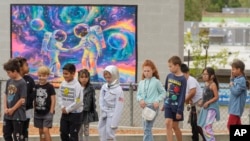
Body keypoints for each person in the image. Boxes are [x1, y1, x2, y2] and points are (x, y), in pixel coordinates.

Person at [136, 59, 166, 141]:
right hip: (144, 107)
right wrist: (141, 100)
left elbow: (163, 93)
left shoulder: (156, 82)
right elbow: (138, 95)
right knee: (146, 129)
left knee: (147, 129)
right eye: (145, 71)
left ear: (153, 70)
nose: (146, 73)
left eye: (148, 71)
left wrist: (157, 100)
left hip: (152, 106)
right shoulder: (141, 83)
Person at [58, 63, 84, 141]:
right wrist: (62, 107)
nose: (65, 76)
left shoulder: (77, 86)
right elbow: (59, 96)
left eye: (67, 74)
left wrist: (68, 109)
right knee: (63, 133)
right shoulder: (62, 84)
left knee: (73, 135)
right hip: (65, 114)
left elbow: (78, 101)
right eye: (63, 74)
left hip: (75, 115)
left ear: (73, 73)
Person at [3, 58, 27, 141]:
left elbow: (22, 99)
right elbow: (6, 94)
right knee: (6, 134)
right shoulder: (9, 81)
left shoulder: (22, 83)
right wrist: (5, 108)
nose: (8, 74)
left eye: (9, 72)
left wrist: (13, 109)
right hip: (8, 115)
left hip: (18, 115)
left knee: (17, 136)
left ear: (15, 71)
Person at [98, 65, 124, 141]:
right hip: (104, 112)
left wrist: (114, 121)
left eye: (109, 77)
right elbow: (101, 99)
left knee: (110, 133)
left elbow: (119, 106)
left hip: (112, 114)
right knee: (102, 131)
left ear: (114, 76)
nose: (107, 79)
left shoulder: (119, 90)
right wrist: (102, 110)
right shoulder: (104, 87)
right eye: (106, 77)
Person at [164, 56, 187, 141]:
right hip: (168, 104)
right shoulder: (169, 76)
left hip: (176, 106)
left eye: (171, 66)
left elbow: (182, 95)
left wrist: (179, 110)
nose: (169, 68)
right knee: (167, 123)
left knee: (175, 126)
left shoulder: (183, 79)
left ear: (177, 66)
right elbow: (166, 90)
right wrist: (164, 102)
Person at [180, 63, 205, 141]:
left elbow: (192, 92)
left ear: (187, 73)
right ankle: (195, 139)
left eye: (182, 74)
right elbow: (187, 95)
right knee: (193, 123)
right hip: (194, 104)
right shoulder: (183, 82)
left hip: (199, 103)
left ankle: (206, 139)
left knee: (198, 124)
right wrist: (188, 103)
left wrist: (185, 101)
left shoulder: (190, 80)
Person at [16, 56, 36, 141]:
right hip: (17, 110)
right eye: (26, 65)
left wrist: (27, 102)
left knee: (25, 129)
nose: (28, 67)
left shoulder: (30, 79)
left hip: (28, 109)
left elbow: (33, 93)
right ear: (20, 67)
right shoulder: (14, 80)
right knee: (17, 130)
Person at [34, 66, 56, 141]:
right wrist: (34, 109)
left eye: (43, 76)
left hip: (47, 113)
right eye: (40, 76)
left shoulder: (50, 87)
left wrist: (51, 111)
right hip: (38, 112)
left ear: (47, 76)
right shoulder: (36, 86)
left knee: (45, 130)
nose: (41, 77)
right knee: (41, 131)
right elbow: (34, 99)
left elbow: (53, 99)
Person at [197, 67, 220, 141]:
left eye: (206, 74)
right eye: (203, 74)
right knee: (204, 126)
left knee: (207, 127)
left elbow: (216, 97)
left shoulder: (213, 85)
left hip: (212, 108)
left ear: (212, 76)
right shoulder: (206, 84)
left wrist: (208, 102)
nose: (204, 76)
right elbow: (206, 97)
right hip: (206, 108)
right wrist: (202, 102)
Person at [227, 59, 249, 130]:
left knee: (230, 125)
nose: (232, 71)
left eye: (233, 69)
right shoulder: (237, 79)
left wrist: (231, 85)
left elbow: (236, 92)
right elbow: (232, 81)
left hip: (236, 108)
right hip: (234, 107)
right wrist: (231, 79)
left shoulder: (241, 80)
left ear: (239, 69)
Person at [78, 69, 98, 141]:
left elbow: (93, 100)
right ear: (79, 78)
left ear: (88, 78)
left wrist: (93, 111)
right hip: (78, 111)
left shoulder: (91, 88)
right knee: (79, 130)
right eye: (82, 77)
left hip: (87, 112)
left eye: (86, 77)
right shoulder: (77, 87)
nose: (84, 79)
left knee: (86, 129)